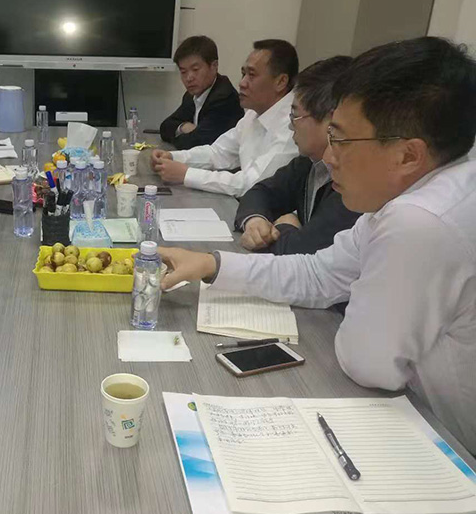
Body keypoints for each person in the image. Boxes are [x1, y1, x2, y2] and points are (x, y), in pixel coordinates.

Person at [157, 37, 476, 453]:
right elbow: (318, 273)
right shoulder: (425, 190)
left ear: (407, 155)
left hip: (450, 445)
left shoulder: (419, 221)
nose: (329, 156)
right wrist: (212, 264)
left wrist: (358, 292)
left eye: (341, 140)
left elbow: (366, 363)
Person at [235, 55, 360, 254]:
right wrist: (255, 221)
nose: (290, 126)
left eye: (295, 116)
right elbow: (260, 192)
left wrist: (286, 225)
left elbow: (305, 250)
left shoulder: (354, 179)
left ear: (332, 120)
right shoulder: (308, 163)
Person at [152, 39, 300, 197]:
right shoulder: (253, 113)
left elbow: (253, 184)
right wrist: (173, 157)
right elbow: (218, 153)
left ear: (281, 82)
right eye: (243, 74)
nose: (242, 83)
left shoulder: (293, 124)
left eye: (251, 75)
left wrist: (186, 174)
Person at [159, 35, 244, 150]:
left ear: (214, 66)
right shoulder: (192, 95)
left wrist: (184, 135)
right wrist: (183, 127)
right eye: (183, 72)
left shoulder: (224, 97)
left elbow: (197, 143)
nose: (189, 78)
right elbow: (165, 127)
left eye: (195, 70)